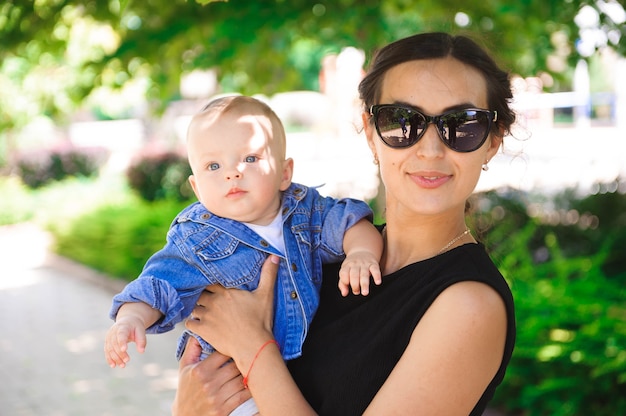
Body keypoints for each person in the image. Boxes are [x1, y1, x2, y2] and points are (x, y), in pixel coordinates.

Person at [172, 31, 517, 416]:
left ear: (492, 140)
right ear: (371, 134)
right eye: (402, 121)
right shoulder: (324, 251)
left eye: (462, 125)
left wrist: (252, 346)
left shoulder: (469, 305)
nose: (430, 149)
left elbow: (249, 352)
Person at [104, 95, 383, 415]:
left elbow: (351, 221)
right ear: (197, 188)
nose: (232, 173)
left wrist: (361, 253)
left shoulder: (306, 211)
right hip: (230, 381)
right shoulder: (196, 238)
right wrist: (132, 318)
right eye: (213, 166)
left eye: (250, 158)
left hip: (292, 374)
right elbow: (160, 284)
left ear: (284, 172)